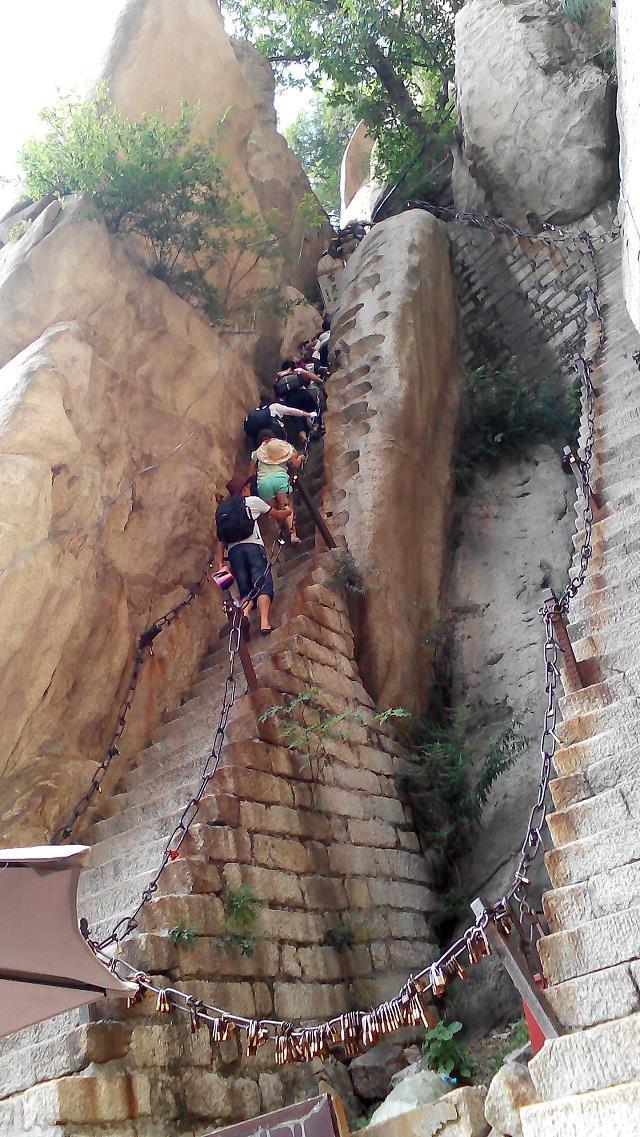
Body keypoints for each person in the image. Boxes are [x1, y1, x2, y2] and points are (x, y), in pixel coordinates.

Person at [213, 475, 291, 636]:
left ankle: (245, 616)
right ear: (244, 489)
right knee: (263, 583)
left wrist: (220, 562)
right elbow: (278, 515)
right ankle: (264, 623)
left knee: (245, 589)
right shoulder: (252, 502)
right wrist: (287, 511)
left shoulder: (222, 511)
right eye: (247, 487)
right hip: (253, 547)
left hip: (234, 553)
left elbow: (220, 539)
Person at [249, 433, 306, 544]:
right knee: (287, 507)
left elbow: (250, 476)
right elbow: (296, 464)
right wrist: (301, 457)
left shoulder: (256, 454)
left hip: (264, 483)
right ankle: (292, 534)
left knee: (272, 512)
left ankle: (277, 536)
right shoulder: (285, 450)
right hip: (280, 480)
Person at [274, 360, 323, 442]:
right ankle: (316, 428)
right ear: (292, 367)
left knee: (297, 420)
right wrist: (320, 382)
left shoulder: (278, 377)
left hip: (289, 400)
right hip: (301, 393)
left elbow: (276, 394)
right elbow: (312, 376)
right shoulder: (297, 371)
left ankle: (304, 437)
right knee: (313, 410)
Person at [243, 395, 317, 444]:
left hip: (250, 429)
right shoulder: (276, 407)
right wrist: (309, 414)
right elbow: (292, 411)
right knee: (282, 439)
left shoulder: (260, 409)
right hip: (269, 426)